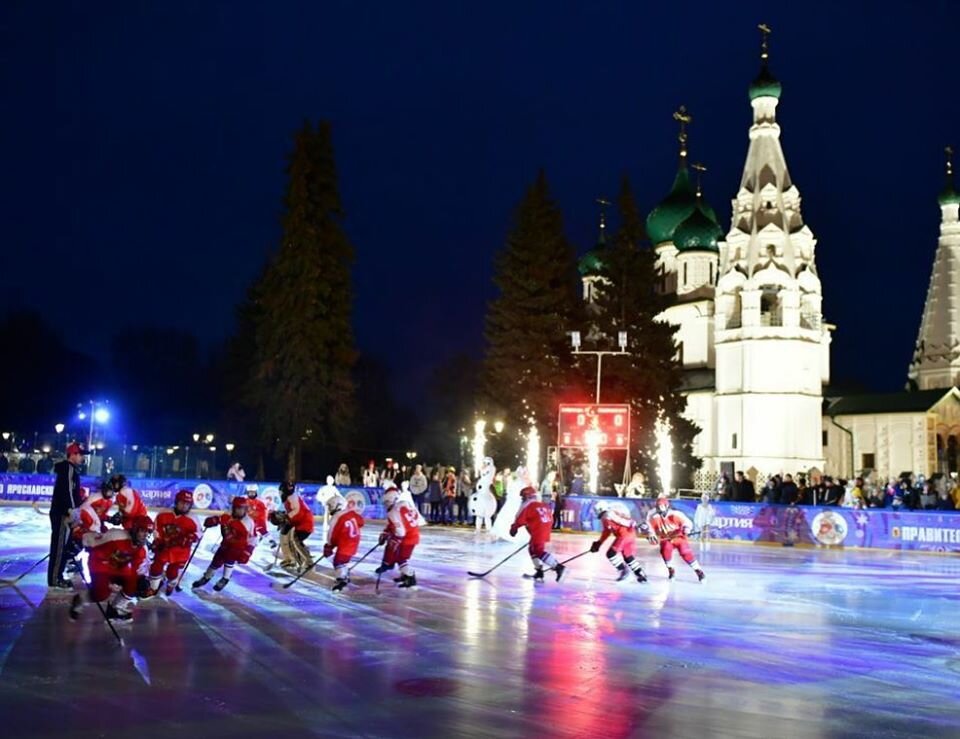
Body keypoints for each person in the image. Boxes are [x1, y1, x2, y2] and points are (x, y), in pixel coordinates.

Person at [70, 516, 154, 622]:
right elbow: (93, 539)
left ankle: (115, 609)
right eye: (142, 530)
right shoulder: (116, 536)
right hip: (100, 564)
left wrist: (141, 580)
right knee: (101, 594)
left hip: (119, 568)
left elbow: (137, 570)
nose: (145, 535)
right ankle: (80, 599)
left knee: (136, 583)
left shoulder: (142, 550)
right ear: (135, 528)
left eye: (148, 532)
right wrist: (77, 542)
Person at [193, 496, 257, 591]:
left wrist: (248, 551)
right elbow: (219, 520)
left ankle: (225, 578)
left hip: (238, 547)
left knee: (229, 559)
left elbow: (254, 538)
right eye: (238, 508)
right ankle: (207, 576)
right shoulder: (227, 516)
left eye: (242, 509)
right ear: (234, 508)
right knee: (216, 560)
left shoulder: (248, 522)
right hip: (225, 544)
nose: (240, 511)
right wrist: (212, 521)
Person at [49, 442, 88, 588]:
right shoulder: (68, 468)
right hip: (62, 515)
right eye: (80, 454)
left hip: (65, 513)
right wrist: (71, 510)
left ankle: (57, 576)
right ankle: (54, 578)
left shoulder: (71, 469)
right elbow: (67, 491)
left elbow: (72, 492)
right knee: (59, 548)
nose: (82, 457)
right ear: (73, 454)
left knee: (62, 547)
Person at [510, 485, 566, 583]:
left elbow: (520, 520)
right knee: (532, 549)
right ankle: (539, 572)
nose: (522, 499)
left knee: (538, 551)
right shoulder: (541, 504)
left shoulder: (528, 505)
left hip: (539, 529)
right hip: (543, 527)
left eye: (523, 497)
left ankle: (559, 568)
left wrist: (514, 529)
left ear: (527, 497)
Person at [149, 489, 199, 596]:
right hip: (164, 547)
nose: (184, 506)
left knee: (172, 573)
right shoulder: (163, 514)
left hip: (180, 552)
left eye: (187, 504)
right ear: (176, 502)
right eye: (182, 503)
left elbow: (198, 534)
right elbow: (156, 527)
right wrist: (158, 540)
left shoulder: (193, 519)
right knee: (156, 567)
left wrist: (190, 538)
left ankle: (171, 584)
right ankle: (153, 588)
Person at [646, 493, 705, 582]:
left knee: (685, 551)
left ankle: (698, 570)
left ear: (667, 506)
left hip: (679, 538)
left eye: (662, 506)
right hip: (666, 539)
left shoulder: (676, 514)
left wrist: (686, 529)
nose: (660, 509)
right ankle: (671, 569)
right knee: (665, 550)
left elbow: (688, 523)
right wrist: (651, 535)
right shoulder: (653, 517)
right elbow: (650, 529)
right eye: (658, 507)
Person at [375, 483, 421, 588]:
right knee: (402, 557)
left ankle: (410, 576)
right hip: (414, 534)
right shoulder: (404, 503)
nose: (385, 505)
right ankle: (404, 575)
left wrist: (393, 540)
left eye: (386, 502)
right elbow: (416, 517)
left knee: (401, 559)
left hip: (407, 538)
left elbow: (400, 532)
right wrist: (387, 533)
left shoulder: (392, 512)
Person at [590, 500, 647, 582]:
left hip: (624, 535)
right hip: (630, 534)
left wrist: (633, 524)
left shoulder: (608, 514)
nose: (597, 514)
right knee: (628, 556)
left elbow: (621, 520)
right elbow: (606, 532)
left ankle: (624, 571)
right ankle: (640, 574)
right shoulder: (605, 517)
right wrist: (599, 543)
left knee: (611, 554)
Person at [323, 494, 364, 592]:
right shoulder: (350, 512)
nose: (329, 509)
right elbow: (361, 522)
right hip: (355, 542)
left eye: (330, 506)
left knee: (338, 561)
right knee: (343, 560)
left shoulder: (336, 517)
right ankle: (344, 574)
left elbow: (332, 534)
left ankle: (341, 579)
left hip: (345, 544)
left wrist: (329, 546)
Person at [280, 480, 315, 570]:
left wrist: (287, 518)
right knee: (287, 536)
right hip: (300, 521)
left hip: (304, 522)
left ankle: (307, 561)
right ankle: (292, 559)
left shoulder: (292, 498)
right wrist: (286, 517)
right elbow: (292, 511)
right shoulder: (288, 497)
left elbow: (297, 511)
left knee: (296, 540)